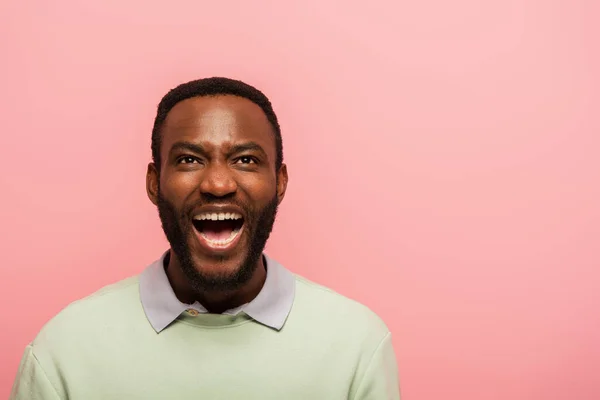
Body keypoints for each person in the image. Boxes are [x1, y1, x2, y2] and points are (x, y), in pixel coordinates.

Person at [10, 77, 400, 399]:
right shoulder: (64, 351)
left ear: (279, 182)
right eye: (189, 160)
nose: (217, 183)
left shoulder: (356, 346)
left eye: (246, 159)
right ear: (153, 182)